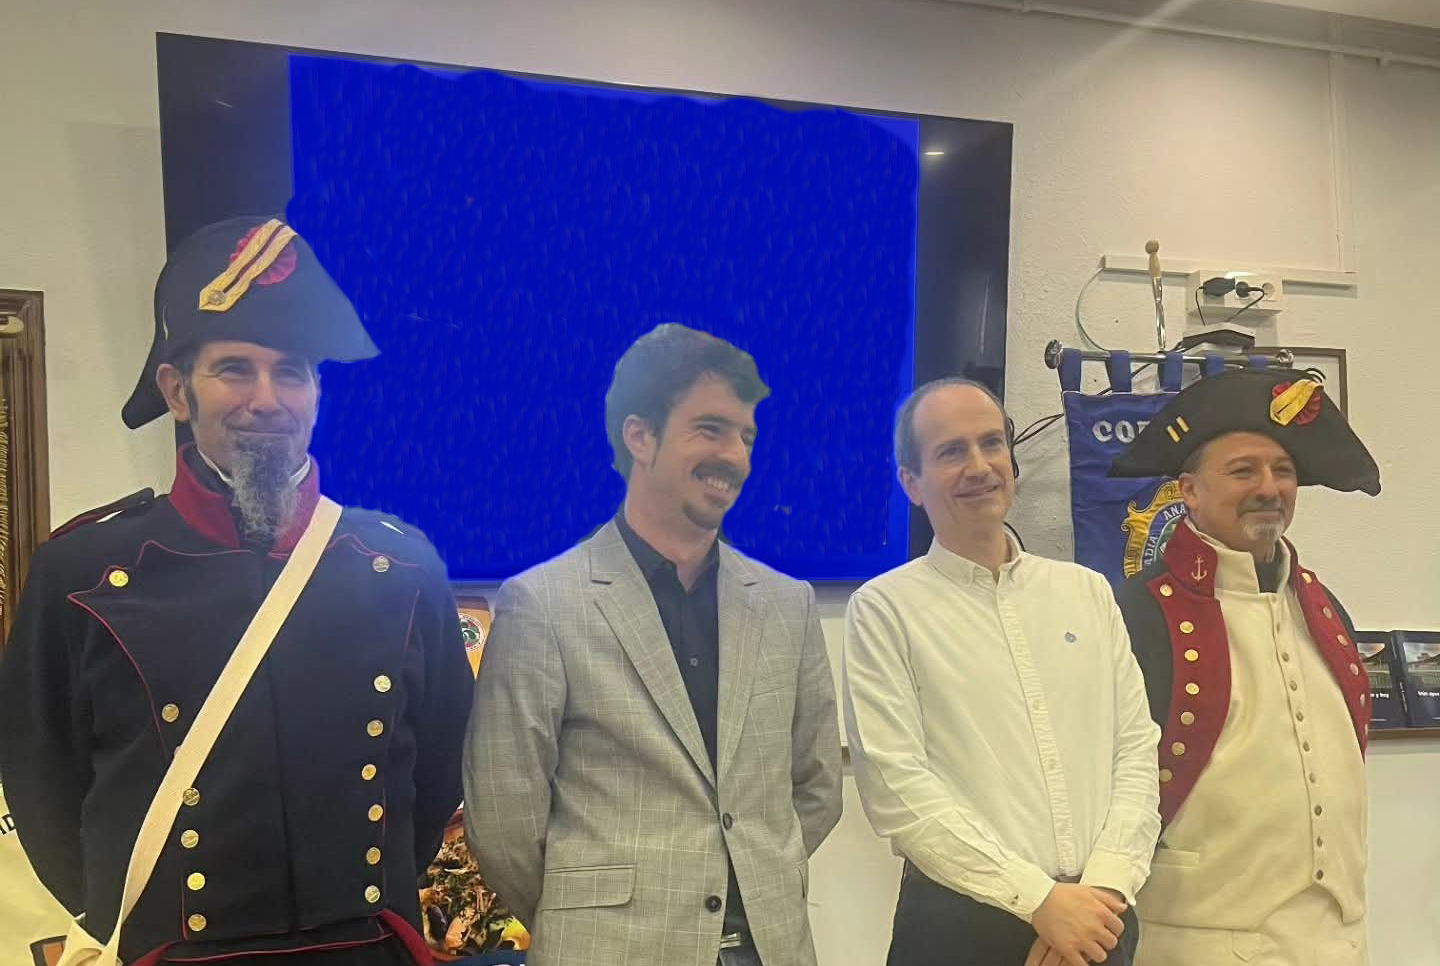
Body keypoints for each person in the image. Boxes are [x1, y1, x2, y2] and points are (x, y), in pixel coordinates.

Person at [0, 216, 473, 964]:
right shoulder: (83, 574)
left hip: (363, 946)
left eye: (291, 371)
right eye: (234, 368)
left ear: (316, 392)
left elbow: (441, 769)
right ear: (177, 391)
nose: (267, 397)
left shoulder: (402, 568)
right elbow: (39, 782)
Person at [463, 323, 842, 966]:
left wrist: (754, 874)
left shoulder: (788, 605)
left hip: (770, 949)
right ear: (640, 436)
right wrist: (590, 916)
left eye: (746, 436)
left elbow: (818, 786)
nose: (735, 455)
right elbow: (503, 819)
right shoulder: (543, 604)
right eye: (711, 429)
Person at [844, 377, 1160, 966]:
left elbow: (1137, 751)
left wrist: (1104, 890)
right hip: (961, 928)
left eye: (992, 443)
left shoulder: (1087, 592)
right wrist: (1041, 902)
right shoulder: (885, 609)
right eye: (951, 451)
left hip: (1100, 919)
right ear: (911, 482)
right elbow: (897, 787)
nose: (979, 466)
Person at [1109, 367, 1380, 966]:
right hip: (1199, 940)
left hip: (1339, 937)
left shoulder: (1324, 607)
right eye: (1242, 471)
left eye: (1283, 470)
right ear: (1189, 491)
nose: (1269, 488)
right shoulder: (1138, 613)